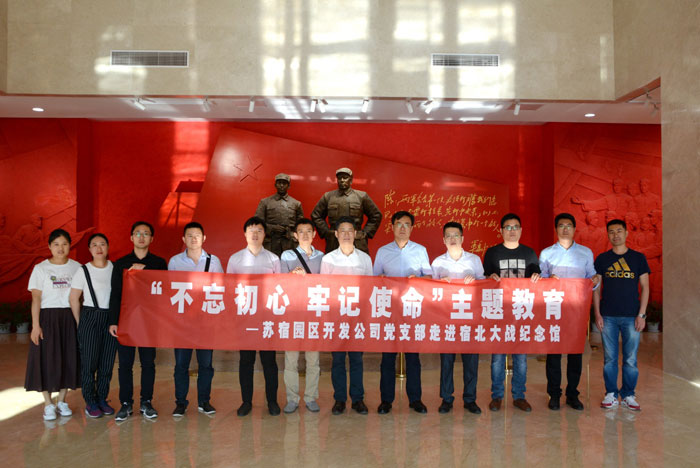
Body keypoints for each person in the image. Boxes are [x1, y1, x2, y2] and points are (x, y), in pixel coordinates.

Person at [372, 211, 432, 415]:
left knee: (413, 358)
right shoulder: (383, 252)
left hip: (412, 311)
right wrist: (381, 279)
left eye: (407, 224)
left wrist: (418, 279)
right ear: (392, 227)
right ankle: (386, 400)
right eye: (399, 224)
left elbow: (429, 278)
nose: (403, 228)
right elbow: (374, 280)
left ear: (412, 228)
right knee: (387, 358)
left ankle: (415, 399)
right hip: (389, 312)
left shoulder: (421, 250)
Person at [539, 213, 600, 411]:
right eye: (561, 225)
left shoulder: (585, 253)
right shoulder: (547, 253)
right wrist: (548, 280)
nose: (565, 229)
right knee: (554, 355)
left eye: (569, 226)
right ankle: (554, 394)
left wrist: (595, 280)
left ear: (574, 229)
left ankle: (573, 394)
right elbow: (540, 280)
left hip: (577, 311)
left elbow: (591, 278)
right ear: (556, 229)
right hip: (554, 309)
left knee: (575, 354)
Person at [109, 221, 168, 421]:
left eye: (146, 233)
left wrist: (145, 270)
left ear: (152, 238)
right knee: (125, 364)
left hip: (149, 322)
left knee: (148, 363)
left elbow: (165, 291)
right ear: (131, 237)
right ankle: (125, 403)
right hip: (126, 321)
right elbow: (115, 294)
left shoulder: (159, 263)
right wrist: (113, 321)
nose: (141, 237)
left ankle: (146, 402)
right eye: (138, 233)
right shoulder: (121, 263)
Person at [483, 213, 541, 413]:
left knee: (521, 359)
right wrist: (490, 277)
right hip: (499, 311)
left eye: (515, 227)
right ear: (501, 231)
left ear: (521, 230)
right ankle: (497, 396)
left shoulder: (529, 253)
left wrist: (537, 276)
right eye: (508, 227)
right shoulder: (492, 253)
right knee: (497, 358)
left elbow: (536, 276)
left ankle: (519, 396)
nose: (512, 230)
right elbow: (484, 279)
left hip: (521, 312)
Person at [227, 216, 282, 416]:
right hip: (245, 319)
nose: (255, 234)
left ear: (264, 234)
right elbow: (229, 289)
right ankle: (246, 402)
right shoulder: (235, 259)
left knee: (269, 362)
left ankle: (272, 401)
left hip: (267, 319)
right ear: (245, 234)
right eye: (251, 230)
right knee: (246, 361)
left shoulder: (273, 259)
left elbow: (280, 288)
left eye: (259, 230)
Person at [24, 229, 81, 421]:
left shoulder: (77, 268)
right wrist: (35, 325)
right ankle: (48, 404)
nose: (60, 248)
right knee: (46, 359)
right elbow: (36, 298)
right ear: (49, 246)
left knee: (68, 358)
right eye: (56, 244)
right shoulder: (41, 268)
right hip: (47, 317)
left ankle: (62, 401)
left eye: (64, 244)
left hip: (68, 317)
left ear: (70, 246)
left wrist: (78, 323)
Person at [168, 222, 224, 417]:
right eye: (190, 235)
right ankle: (180, 403)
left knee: (206, 364)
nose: (193, 239)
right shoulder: (175, 261)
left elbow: (221, 288)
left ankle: (204, 401)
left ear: (204, 238)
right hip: (182, 323)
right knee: (181, 365)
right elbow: (170, 290)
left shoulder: (213, 261)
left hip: (205, 323)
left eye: (197, 235)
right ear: (183, 239)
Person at [594, 219, 650, 411]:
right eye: (611, 231)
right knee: (610, 358)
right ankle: (611, 393)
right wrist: (597, 314)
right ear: (608, 235)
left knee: (630, 359)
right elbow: (596, 288)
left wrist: (642, 315)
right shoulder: (602, 259)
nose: (615, 235)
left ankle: (628, 395)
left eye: (619, 231)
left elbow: (645, 287)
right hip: (608, 316)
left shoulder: (638, 258)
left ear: (626, 233)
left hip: (631, 316)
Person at [320, 216, 373, 415]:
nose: (346, 234)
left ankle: (358, 399)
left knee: (357, 360)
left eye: (350, 230)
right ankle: (340, 399)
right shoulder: (328, 259)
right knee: (338, 361)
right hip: (336, 318)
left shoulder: (365, 258)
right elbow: (324, 289)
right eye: (342, 231)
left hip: (358, 318)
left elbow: (370, 289)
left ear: (356, 233)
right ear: (336, 234)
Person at [431, 221, 484, 415]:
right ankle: (446, 399)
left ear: (462, 238)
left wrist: (475, 281)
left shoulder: (474, 260)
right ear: (443, 240)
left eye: (456, 235)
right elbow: (430, 289)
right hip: (446, 319)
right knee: (447, 361)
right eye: (449, 236)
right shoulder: (437, 262)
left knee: (471, 361)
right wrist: (439, 282)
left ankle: (470, 399)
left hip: (470, 318)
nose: (452, 239)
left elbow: (484, 285)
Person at [69, 233, 118, 418]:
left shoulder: (115, 268)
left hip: (111, 319)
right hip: (90, 316)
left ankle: (102, 398)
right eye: (94, 245)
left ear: (108, 247)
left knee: (107, 363)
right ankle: (90, 401)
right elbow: (73, 298)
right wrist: (80, 322)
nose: (99, 248)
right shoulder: (83, 270)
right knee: (89, 363)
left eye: (102, 244)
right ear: (89, 249)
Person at [280, 218, 324, 413]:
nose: (305, 235)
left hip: (314, 313)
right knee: (291, 360)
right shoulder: (286, 256)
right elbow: (279, 283)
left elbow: (328, 284)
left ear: (314, 234)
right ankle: (292, 399)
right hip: (293, 313)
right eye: (301, 231)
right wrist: (291, 277)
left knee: (313, 360)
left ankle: (311, 397)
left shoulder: (322, 257)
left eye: (308, 231)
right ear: (295, 235)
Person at [311, 167, 382, 254]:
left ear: (351, 180)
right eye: (339, 178)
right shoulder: (328, 196)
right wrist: (326, 232)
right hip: (334, 241)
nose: (342, 180)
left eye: (345, 177)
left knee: (358, 262)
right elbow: (316, 215)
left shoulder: (361, 196)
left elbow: (376, 215)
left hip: (356, 241)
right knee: (333, 262)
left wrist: (365, 233)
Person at [254, 173, 304, 257]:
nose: (281, 185)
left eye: (284, 183)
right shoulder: (265, 202)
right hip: (270, 243)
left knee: (289, 264)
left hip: (290, 243)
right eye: (279, 183)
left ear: (289, 186)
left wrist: (292, 234)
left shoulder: (296, 204)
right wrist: (272, 228)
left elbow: (301, 226)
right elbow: (257, 223)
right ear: (275, 185)